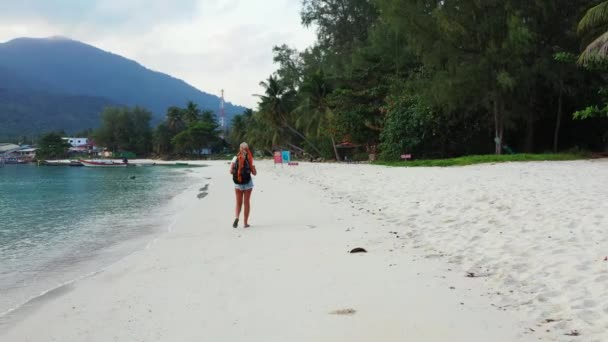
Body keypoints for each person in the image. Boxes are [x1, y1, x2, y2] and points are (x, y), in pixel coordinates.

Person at [230, 142, 257, 228]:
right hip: (248, 183)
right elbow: (254, 173)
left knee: (238, 203)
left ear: (240, 149)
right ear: (247, 149)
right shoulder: (250, 158)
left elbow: (231, 171)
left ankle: (237, 217)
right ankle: (245, 223)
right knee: (246, 203)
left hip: (237, 183)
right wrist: (252, 168)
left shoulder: (235, 158)